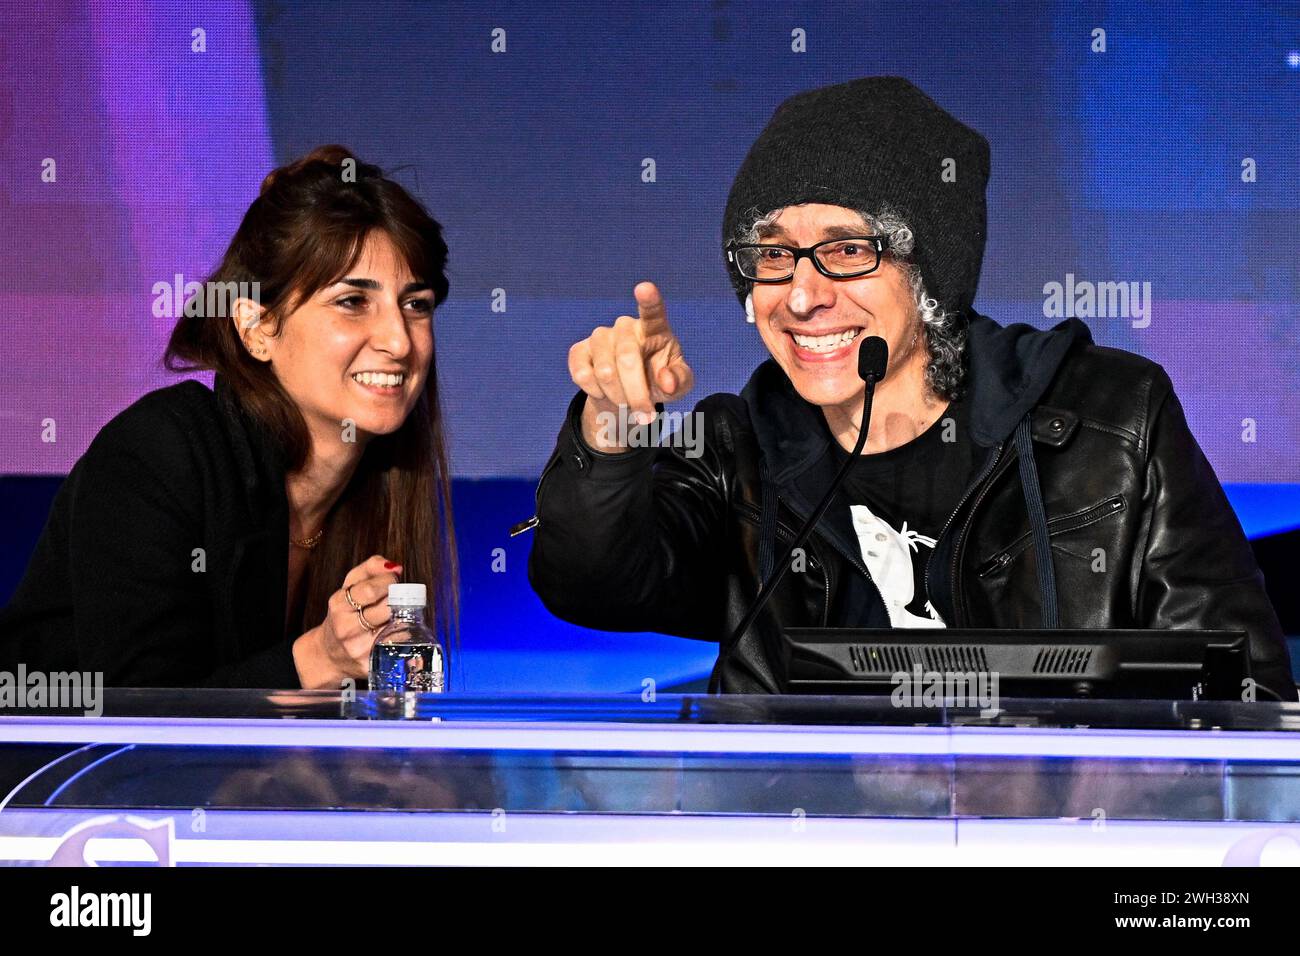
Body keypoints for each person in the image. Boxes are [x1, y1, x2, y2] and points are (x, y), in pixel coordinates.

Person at [526, 76, 1295, 700]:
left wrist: (1064, 780)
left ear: (932, 272)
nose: (800, 295)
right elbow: (592, 582)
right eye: (772, 255)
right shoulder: (740, 450)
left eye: (848, 250)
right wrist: (611, 429)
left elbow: (1246, 694)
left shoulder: (1112, 418)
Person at [0, 146, 458, 689]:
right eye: (352, 302)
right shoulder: (155, 453)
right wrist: (322, 659)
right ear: (257, 328)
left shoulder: (388, 480)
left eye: (416, 305)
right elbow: (140, 725)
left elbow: (390, 725)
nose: (398, 341)